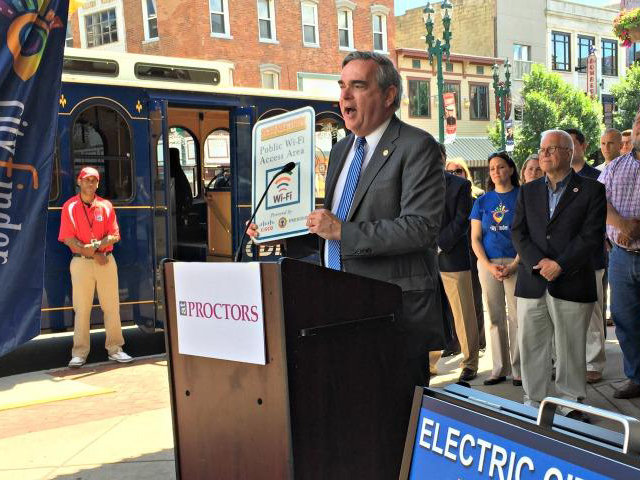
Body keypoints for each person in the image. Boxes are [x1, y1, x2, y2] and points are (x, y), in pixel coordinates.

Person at [249, 51, 448, 390]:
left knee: (394, 421)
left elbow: (420, 228)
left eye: (358, 86)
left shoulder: (417, 147)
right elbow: (331, 231)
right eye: (342, 86)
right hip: (337, 310)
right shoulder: (341, 150)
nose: (344, 96)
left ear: (389, 96)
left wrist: (343, 230)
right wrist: (275, 231)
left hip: (392, 314)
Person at [512, 130, 606, 422]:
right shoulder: (527, 191)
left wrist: (560, 264)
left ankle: (570, 404)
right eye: (542, 149)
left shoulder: (592, 190)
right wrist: (539, 261)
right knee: (532, 346)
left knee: (570, 348)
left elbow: (590, 236)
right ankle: (534, 403)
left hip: (572, 280)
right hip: (533, 281)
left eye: (552, 149)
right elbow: (518, 232)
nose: (545, 154)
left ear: (569, 153)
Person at [58, 167, 133, 368]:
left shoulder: (106, 206)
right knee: (81, 309)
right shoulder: (69, 207)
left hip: (106, 261)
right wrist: (94, 253)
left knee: (111, 308)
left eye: (94, 180)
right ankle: (79, 353)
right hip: (81, 262)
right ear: (79, 182)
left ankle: (115, 349)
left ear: (98, 184)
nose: (90, 184)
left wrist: (98, 248)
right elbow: (68, 239)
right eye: (86, 180)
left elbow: (115, 235)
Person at [598, 112, 640, 399]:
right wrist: (623, 225)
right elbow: (598, 201)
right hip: (622, 258)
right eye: (639, 122)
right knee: (625, 321)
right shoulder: (614, 168)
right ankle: (636, 377)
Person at [470, 152, 521, 386]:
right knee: (495, 316)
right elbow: (475, 238)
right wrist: (489, 265)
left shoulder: (522, 197)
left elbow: (528, 235)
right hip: (488, 264)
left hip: (516, 262)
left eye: (500, 167)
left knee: (518, 317)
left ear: (510, 169)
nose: (496, 172)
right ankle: (499, 368)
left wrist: (514, 264)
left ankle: (520, 369)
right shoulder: (482, 201)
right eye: (491, 168)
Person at [565, 128, 608, 384]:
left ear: (583, 146)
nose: (568, 150)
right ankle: (569, 361)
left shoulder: (598, 177)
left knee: (592, 312)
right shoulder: (558, 178)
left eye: (571, 144)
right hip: (562, 258)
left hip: (590, 257)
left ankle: (594, 363)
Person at [435, 146, 479, 382]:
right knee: (429, 313)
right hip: (422, 260)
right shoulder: (414, 184)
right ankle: (429, 361)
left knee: (463, 313)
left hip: (451, 255)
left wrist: (439, 245)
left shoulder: (460, 185)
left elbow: (462, 220)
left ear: (443, 158)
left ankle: (470, 362)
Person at [445, 157, 486, 351]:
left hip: (470, 254)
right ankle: (454, 343)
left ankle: (478, 343)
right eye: (451, 171)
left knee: (473, 303)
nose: (454, 174)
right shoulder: (433, 188)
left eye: (458, 171)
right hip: (445, 255)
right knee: (450, 308)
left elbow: (464, 222)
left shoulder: (475, 195)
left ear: (465, 172)